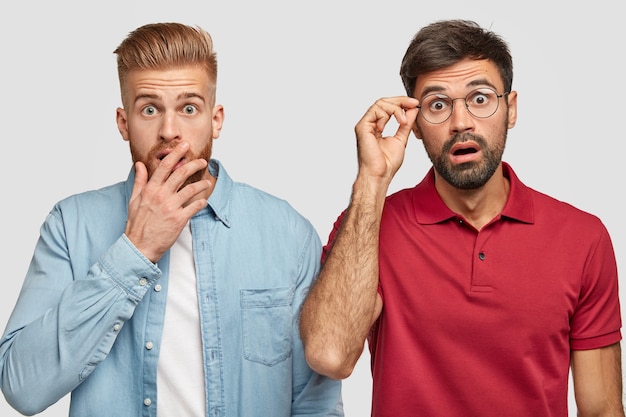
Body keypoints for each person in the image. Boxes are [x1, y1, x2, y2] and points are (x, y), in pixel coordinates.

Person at [0, 22, 343, 417]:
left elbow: (315, 402)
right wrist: (135, 250)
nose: (169, 130)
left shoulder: (286, 232)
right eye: (149, 109)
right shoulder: (70, 224)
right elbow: (22, 387)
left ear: (216, 119)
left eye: (189, 108)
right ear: (123, 123)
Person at [299, 19, 623, 417]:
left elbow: (603, 409)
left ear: (511, 108)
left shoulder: (582, 238)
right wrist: (372, 180)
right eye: (437, 105)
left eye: (480, 98)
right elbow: (330, 356)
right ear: (414, 124)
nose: (461, 122)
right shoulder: (367, 225)